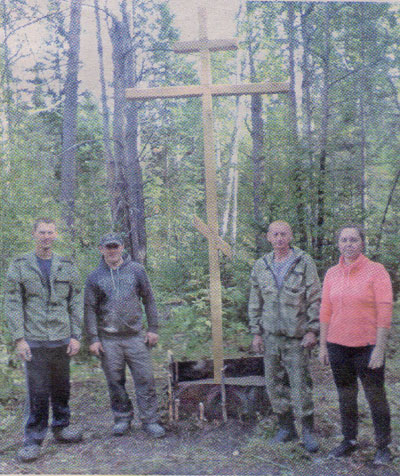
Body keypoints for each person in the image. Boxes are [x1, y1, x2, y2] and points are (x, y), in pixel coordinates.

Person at [4, 218, 83, 463]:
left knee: (61, 387)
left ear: (55, 235)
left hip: (61, 337)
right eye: (42, 232)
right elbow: (12, 303)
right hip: (34, 338)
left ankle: (61, 427)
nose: (46, 236)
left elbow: (76, 301)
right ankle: (33, 440)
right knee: (37, 391)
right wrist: (19, 338)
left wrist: (75, 335)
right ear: (34, 234)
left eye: (50, 232)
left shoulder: (66, 265)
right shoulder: (20, 265)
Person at [319, 225, 392, 465]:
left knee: (375, 396)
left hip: (367, 347)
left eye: (353, 239)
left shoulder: (376, 270)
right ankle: (349, 440)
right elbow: (325, 310)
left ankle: (383, 446)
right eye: (344, 240)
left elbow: (384, 310)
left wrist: (379, 348)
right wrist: (323, 346)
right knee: (346, 395)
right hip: (337, 346)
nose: (348, 244)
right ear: (338, 244)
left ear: (362, 243)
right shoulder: (331, 273)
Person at [248, 220, 321, 453]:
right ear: (269, 237)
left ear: (290, 236)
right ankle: (286, 428)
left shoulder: (303, 262)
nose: (279, 238)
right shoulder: (261, 265)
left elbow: (314, 297)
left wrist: (313, 330)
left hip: (296, 336)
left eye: (283, 234)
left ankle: (307, 430)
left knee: (300, 384)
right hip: (270, 336)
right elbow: (255, 301)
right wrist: (256, 333)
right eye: (275, 235)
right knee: (274, 384)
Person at [84, 233, 165, 438]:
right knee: (114, 381)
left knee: (145, 378)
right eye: (108, 247)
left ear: (122, 247)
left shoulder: (137, 270)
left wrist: (153, 328)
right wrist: (93, 338)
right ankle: (122, 418)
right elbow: (90, 309)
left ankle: (150, 420)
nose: (112, 250)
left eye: (115, 246)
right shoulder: (94, 277)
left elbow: (149, 299)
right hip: (108, 339)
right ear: (101, 249)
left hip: (136, 336)